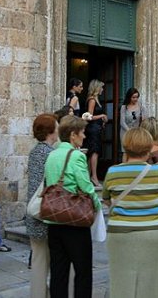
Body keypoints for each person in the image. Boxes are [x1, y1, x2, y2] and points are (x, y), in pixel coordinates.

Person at [103, 128, 158, 298]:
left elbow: (107, 200)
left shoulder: (113, 172)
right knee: (155, 280)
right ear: (148, 148)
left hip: (121, 232)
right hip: (154, 231)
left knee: (122, 279)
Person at [44, 115, 102, 298]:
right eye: (82, 133)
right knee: (83, 271)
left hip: (54, 219)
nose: (84, 137)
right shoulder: (76, 156)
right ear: (72, 135)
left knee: (58, 272)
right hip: (74, 221)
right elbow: (85, 187)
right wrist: (97, 204)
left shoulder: (51, 155)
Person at [27, 114, 59, 298]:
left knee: (38, 265)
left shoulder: (34, 152)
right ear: (50, 131)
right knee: (46, 267)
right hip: (44, 215)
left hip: (34, 212)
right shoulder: (50, 154)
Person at [84, 79, 108, 186]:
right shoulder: (92, 100)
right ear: (96, 88)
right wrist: (102, 116)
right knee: (94, 152)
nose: (102, 89)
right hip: (93, 129)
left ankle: (90, 176)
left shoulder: (96, 99)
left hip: (96, 128)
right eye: (101, 87)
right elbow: (88, 116)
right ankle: (94, 177)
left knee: (93, 152)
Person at [119, 88, 146, 154]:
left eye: (137, 97)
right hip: (125, 132)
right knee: (125, 152)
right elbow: (122, 122)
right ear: (129, 97)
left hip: (136, 133)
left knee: (135, 152)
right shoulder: (124, 107)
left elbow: (145, 120)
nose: (135, 99)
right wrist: (130, 131)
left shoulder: (141, 107)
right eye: (133, 97)